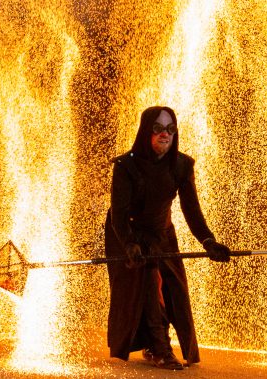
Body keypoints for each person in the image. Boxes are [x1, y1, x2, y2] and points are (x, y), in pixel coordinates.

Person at [105, 106, 231, 370]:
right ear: (146, 131)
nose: (165, 134)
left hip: (162, 231)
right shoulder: (125, 166)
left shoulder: (182, 165)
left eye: (171, 129)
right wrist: (130, 244)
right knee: (146, 282)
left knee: (173, 287)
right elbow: (119, 214)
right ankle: (160, 348)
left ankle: (158, 344)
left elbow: (191, 209)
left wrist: (208, 241)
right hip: (126, 232)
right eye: (158, 128)